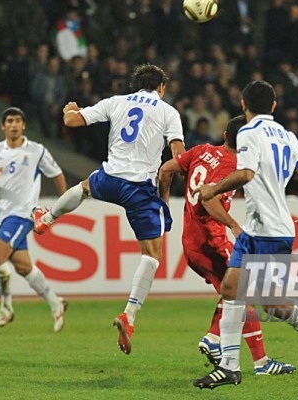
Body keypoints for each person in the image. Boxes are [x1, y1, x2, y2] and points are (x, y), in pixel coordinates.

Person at [192, 81, 298, 389]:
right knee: (237, 290)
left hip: (267, 230)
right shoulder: (287, 136)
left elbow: (246, 174)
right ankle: (230, 366)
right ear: (275, 106)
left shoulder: (249, 133)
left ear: (243, 104)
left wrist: (213, 188)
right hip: (262, 228)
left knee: (263, 300)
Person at [32, 64, 185, 354]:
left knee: (85, 187)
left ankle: (47, 218)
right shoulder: (168, 112)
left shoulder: (116, 102)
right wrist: (171, 187)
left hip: (111, 177)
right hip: (140, 187)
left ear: (135, 84)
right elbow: (177, 155)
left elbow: (73, 122)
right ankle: (129, 315)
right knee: (152, 255)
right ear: (161, 87)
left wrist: (69, 109)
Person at [159, 115, 296, 375]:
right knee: (243, 293)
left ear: (224, 135)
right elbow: (210, 202)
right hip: (212, 241)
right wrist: (233, 225)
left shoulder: (201, 150)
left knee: (234, 293)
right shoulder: (233, 167)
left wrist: (164, 204)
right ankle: (259, 362)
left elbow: (165, 170)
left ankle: (215, 339)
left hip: (190, 241)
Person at [0, 107, 68, 331]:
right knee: (24, 267)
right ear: (2, 126)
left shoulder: (36, 151)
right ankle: (56, 302)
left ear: (23, 125)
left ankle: (6, 309)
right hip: (4, 214)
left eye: (18, 121)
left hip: (23, 213)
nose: (14, 125)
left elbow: (57, 174)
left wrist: (60, 207)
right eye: (9, 121)